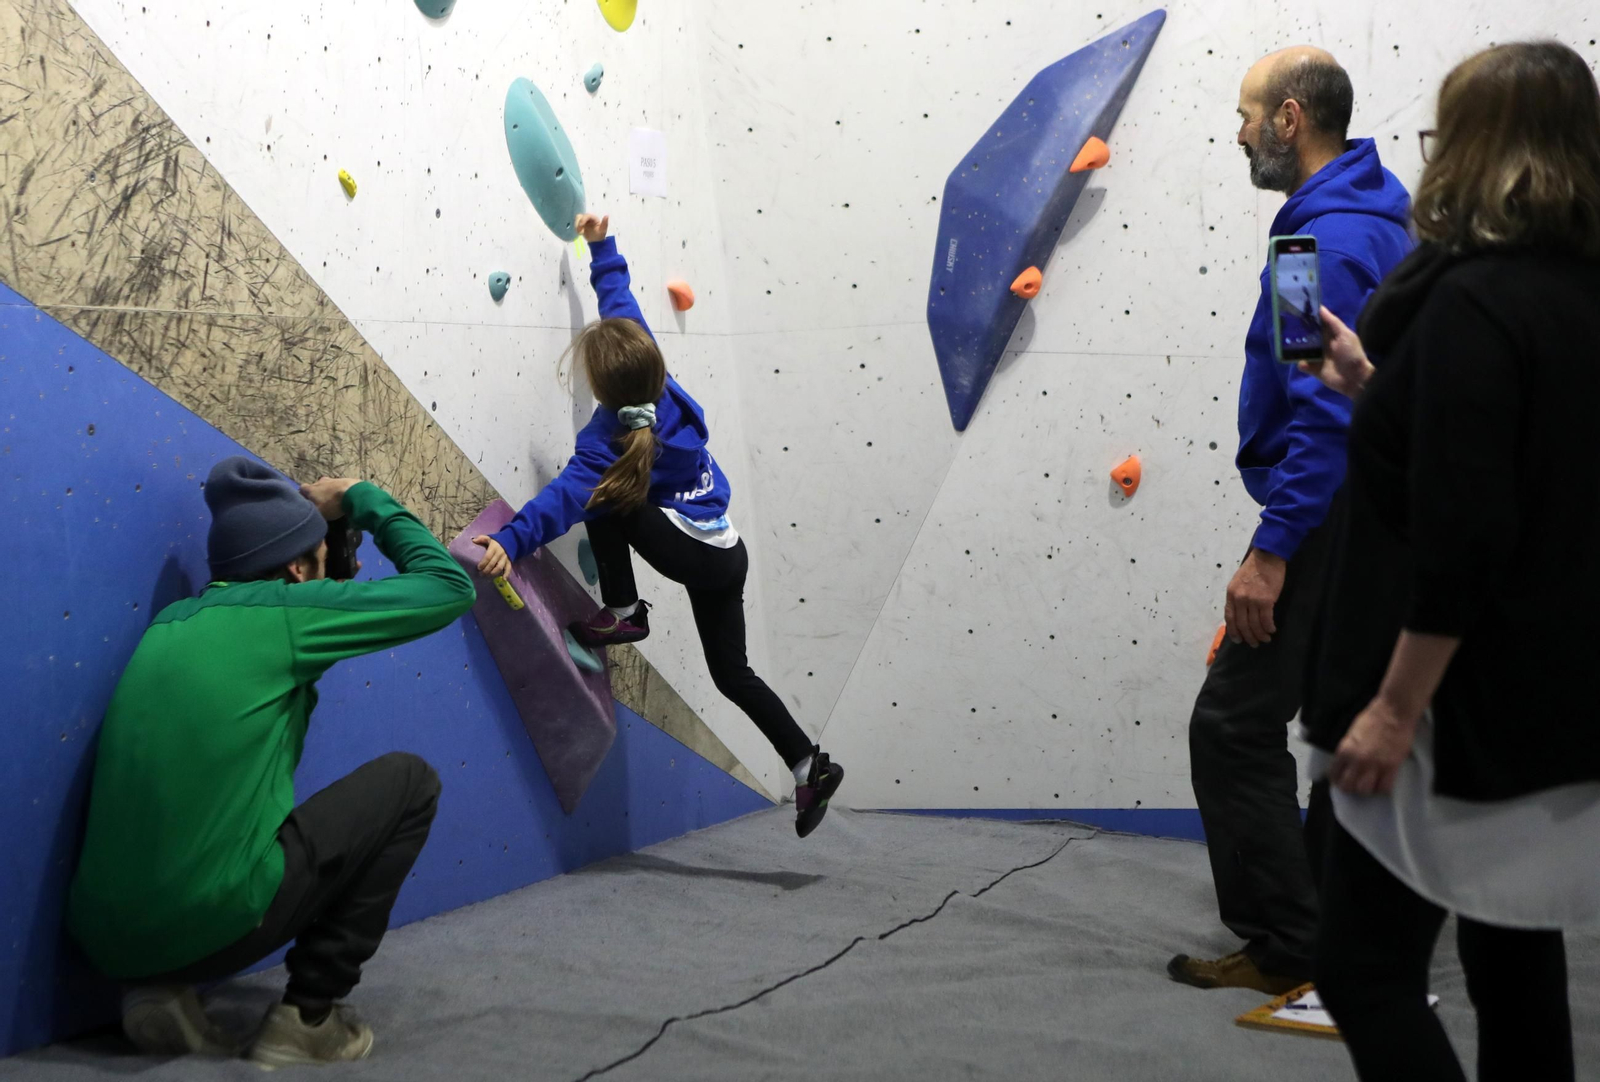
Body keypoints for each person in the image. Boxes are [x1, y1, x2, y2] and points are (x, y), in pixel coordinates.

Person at [1301, 41, 1600, 1082]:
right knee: (1511, 944)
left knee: (1361, 966)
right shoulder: (1569, 290)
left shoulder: (1474, 300)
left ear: (1472, 150)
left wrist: (1390, 707)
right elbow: (1518, 446)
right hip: (1549, 687)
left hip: (1453, 698)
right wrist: (1376, 386)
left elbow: (1464, 527)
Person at [67, 459, 476, 1067]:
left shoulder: (171, 624)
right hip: (211, 926)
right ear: (296, 567)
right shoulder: (285, 615)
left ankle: (159, 990)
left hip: (104, 944)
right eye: (331, 555)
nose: (351, 567)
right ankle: (309, 1016)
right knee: (410, 783)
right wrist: (362, 499)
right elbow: (451, 586)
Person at [472, 213, 845, 838]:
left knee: (606, 498)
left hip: (689, 552)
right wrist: (600, 244)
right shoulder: (659, 380)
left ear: (598, 386)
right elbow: (619, 302)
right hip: (727, 550)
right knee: (735, 674)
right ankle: (810, 763)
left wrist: (508, 543)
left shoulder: (604, 446)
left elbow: (559, 503)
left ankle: (623, 610)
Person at [1168, 47, 1413, 994]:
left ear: (1290, 118)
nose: (1236, 134)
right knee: (1336, 719)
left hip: (1324, 519)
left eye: (1245, 114)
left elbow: (1324, 410)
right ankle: (1330, 929)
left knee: (1232, 725)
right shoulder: (1381, 222)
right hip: (1375, 520)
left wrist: (1269, 554)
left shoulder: (1314, 248)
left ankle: (1289, 942)